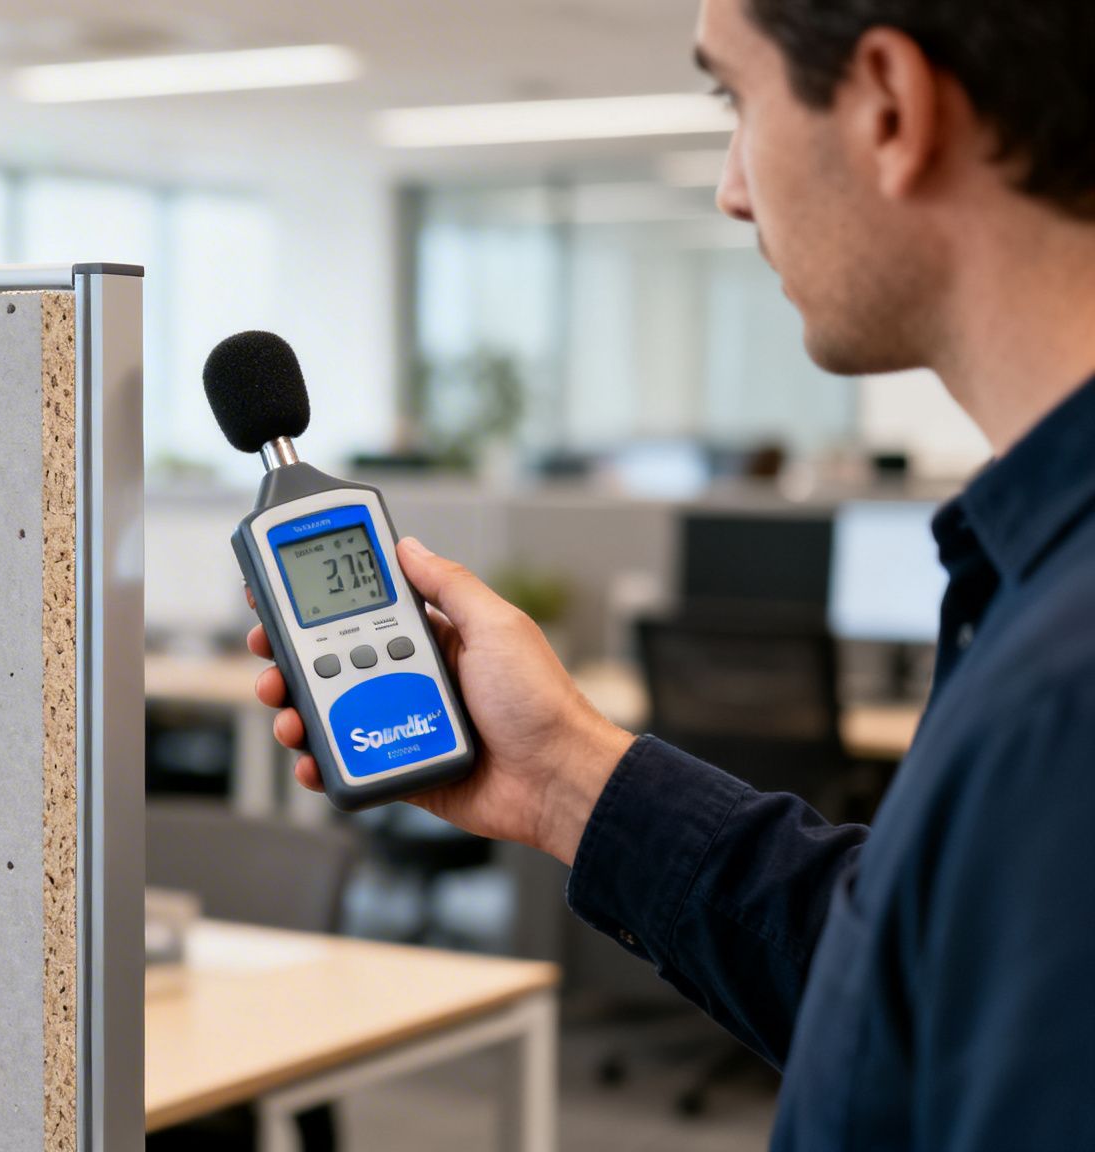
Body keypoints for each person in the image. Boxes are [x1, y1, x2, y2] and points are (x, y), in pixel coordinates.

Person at [247, 0, 1095, 1146]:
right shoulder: (1024, 588)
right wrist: (559, 774)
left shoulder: (1064, 691)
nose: (730, 188)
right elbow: (900, 993)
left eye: (734, 102)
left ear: (888, 107)